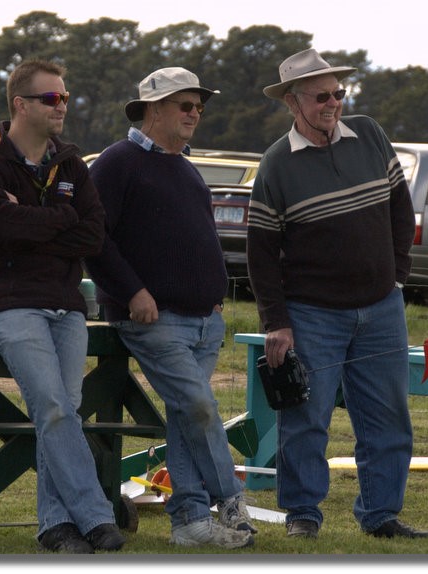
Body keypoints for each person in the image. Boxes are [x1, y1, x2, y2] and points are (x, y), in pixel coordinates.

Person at [246, 48, 428, 540]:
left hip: (382, 306)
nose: (333, 103)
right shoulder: (275, 165)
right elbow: (262, 254)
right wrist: (277, 322)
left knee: (388, 417)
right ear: (292, 102)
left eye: (338, 93)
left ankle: (381, 516)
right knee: (306, 419)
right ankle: (303, 517)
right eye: (320, 96)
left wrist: (397, 276)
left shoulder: (370, 134)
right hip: (312, 314)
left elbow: (400, 208)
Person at [83, 67, 255, 550]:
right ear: (154, 109)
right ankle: (231, 499)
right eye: (186, 105)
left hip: (204, 320)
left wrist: (214, 294)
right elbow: (94, 239)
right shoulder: (117, 163)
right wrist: (133, 292)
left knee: (186, 416)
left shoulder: (185, 166)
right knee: (199, 407)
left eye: (200, 106)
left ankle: (190, 525)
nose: (196, 113)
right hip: (152, 319)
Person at [0, 59, 124, 554]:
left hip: (66, 303)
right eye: (53, 98)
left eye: (66, 98)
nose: (63, 106)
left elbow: (92, 233)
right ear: (20, 105)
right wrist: (59, 219)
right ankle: (96, 517)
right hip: (8, 304)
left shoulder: (73, 164)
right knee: (53, 406)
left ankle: (56, 525)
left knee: (64, 411)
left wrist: (33, 218)